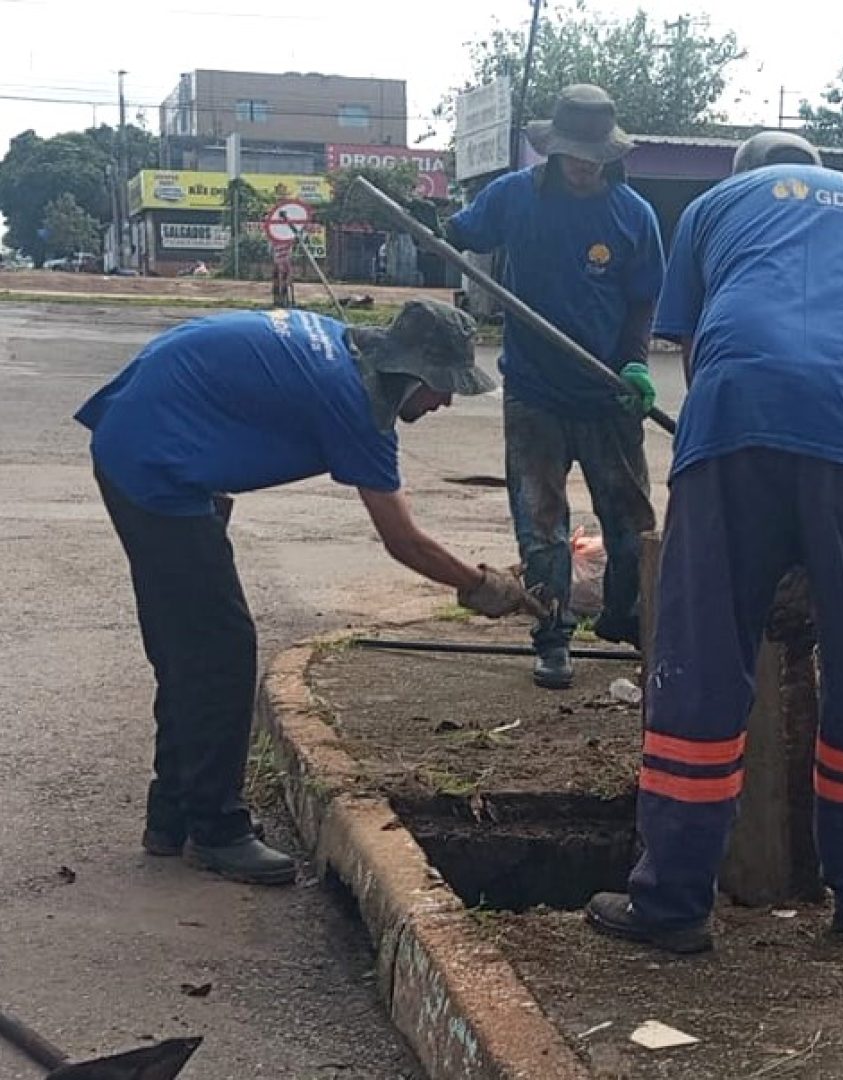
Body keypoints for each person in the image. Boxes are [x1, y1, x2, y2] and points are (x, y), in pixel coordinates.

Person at [584, 131, 843, 954]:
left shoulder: (712, 205)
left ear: (746, 171)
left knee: (703, 662)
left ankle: (673, 905)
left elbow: (698, 349)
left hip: (737, 420)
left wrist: (743, 476)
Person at [76, 301, 534, 885]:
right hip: (154, 468)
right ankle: (215, 829)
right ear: (411, 374)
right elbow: (403, 541)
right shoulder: (352, 402)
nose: (444, 403)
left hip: (150, 441)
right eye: (442, 388)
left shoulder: (346, 350)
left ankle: (173, 817)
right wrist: (483, 586)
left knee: (187, 647)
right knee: (221, 652)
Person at [444, 84, 666, 691]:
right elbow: (463, 232)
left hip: (607, 393)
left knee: (631, 524)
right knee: (541, 525)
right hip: (536, 394)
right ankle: (552, 636)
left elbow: (644, 298)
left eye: (594, 156)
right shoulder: (514, 197)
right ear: (554, 150)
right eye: (573, 154)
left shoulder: (632, 215)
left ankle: (626, 619)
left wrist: (635, 363)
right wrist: (430, 228)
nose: (583, 165)